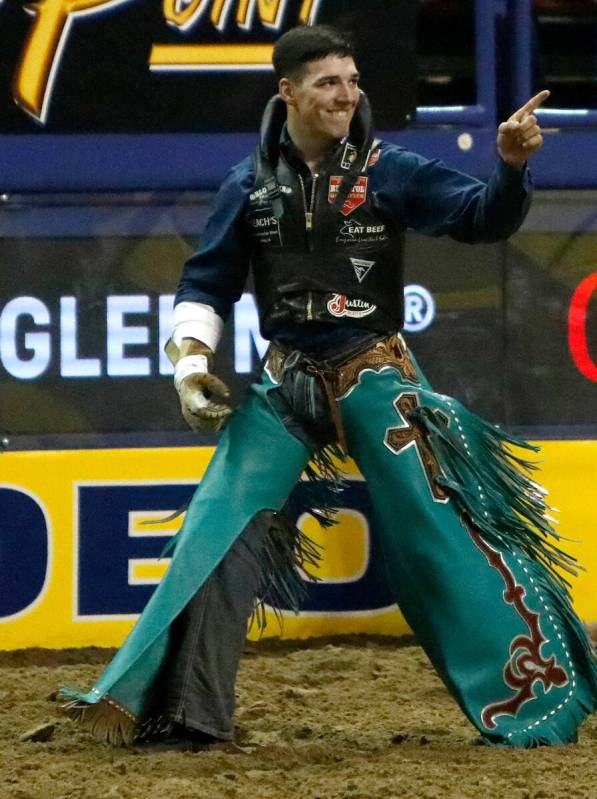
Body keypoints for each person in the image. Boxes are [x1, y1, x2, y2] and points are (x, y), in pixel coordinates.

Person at [61, 24, 597, 749]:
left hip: (375, 376)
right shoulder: (247, 185)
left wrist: (508, 169)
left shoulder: (389, 168)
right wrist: (190, 369)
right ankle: (180, 712)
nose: (347, 95)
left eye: (352, 81)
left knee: (446, 533)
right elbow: (205, 283)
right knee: (216, 530)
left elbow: (480, 220)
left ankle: (538, 699)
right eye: (328, 83)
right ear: (288, 93)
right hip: (285, 383)